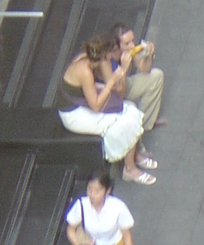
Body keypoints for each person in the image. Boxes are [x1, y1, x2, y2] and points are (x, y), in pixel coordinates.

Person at [56, 33, 153, 184]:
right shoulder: (85, 72)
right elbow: (96, 105)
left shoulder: (85, 58)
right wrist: (111, 81)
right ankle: (130, 169)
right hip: (73, 114)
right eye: (107, 59)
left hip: (81, 102)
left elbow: (115, 90)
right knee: (124, 121)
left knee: (130, 108)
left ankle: (133, 155)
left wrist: (112, 81)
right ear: (101, 58)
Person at [113, 23, 164, 160]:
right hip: (112, 93)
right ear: (116, 46)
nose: (131, 46)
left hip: (124, 84)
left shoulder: (130, 51)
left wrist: (148, 55)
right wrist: (123, 69)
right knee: (130, 107)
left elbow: (145, 70)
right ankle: (138, 148)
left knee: (156, 76)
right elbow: (119, 95)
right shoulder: (109, 60)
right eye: (126, 43)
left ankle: (146, 123)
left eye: (132, 41)